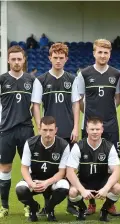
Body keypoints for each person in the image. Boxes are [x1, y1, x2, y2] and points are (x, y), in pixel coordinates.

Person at [31, 42, 80, 216]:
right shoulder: (41, 80)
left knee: (70, 169)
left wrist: (76, 127)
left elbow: (76, 105)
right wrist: (40, 127)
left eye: (61, 58)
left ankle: (70, 203)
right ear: (49, 58)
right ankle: (47, 206)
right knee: (48, 169)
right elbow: (36, 105)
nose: (58, 61)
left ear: (66, 59)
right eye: (55, 57)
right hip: (48, 134)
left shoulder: (72, 79)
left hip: (68, 131)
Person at [76, 39, 120, 215]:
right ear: (94, 53)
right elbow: (79, 100)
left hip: (110, 126)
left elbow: (117, 98)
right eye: (99, 52)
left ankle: (109, 203)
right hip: (89, 127)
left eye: (106, 52)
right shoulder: (84, 73)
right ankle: (91, 202)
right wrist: (90, 121)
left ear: (110, 54)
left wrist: (108, 114)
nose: (102, 55)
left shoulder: (116, 74)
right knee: (88, 164)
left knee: (111, 166)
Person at [0, 45, 35, 218]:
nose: (16, 62)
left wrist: (38, 127)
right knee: (5, 168)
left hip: (26, 130)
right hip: (6, 130)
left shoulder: (31, 79)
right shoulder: (2, 80)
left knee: (27, 168)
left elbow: (36, 106)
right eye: (13, 59)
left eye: (19, 59)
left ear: (23, 60)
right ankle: (4, 206)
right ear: (8, 60)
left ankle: (28, 206)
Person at [15, 116, 70, 222]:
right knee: (20, 189)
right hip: (34, 179)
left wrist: (47, 183)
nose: (48, 134)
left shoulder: (63, 145)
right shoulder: (30, 143)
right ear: (39, 129)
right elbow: (24, 168)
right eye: (45, 130)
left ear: (56, 130)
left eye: (51, 130)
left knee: (64, 186)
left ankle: (50, 209)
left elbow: (62, 172)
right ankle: (33, 207)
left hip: (53, 180)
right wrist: (31, 183)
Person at [66, 117, 120, 222]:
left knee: (117, 188)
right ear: (87, 130)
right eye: (92, 129)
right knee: (72, 192)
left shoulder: (109, 147)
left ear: (102, 130)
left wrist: (106, 188)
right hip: (85, 181)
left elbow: (117, 171)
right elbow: (69, 172)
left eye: (97, 129)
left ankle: (104, 210)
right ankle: (82, 209)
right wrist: (82, 191)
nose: (95, 132)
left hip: (102, 181)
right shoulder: (79, 146)